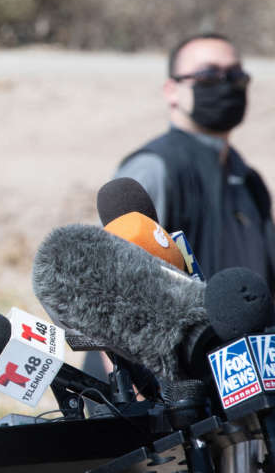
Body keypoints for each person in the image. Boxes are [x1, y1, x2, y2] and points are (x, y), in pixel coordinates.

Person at [116, 33, 275, 285]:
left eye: (236, 76)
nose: (225, 85)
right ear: (172, 91)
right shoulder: (154, 168)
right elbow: (118, 280)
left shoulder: (247, 178)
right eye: (208, 76)